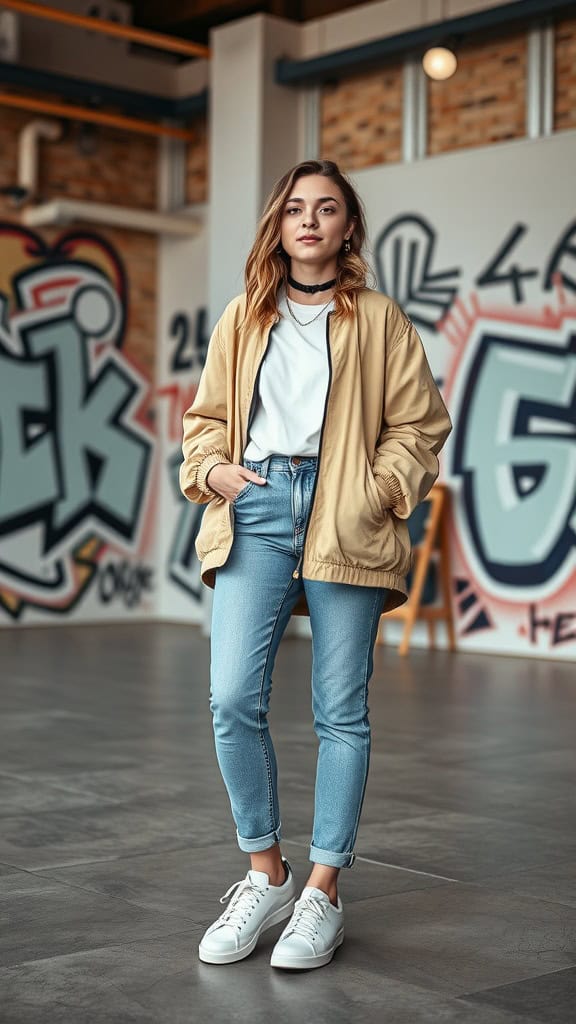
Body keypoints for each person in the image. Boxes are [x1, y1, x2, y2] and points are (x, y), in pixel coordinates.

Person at [180, 159, 452, 971]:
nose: (310, 220)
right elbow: (206, 420)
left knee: (341, 712)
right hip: (257, 506)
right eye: (296, 207)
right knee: (232, 695)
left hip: (344, 512)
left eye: (327, 208)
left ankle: (323, 893)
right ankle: (265, 872)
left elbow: (420, 425)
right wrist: (214, 470)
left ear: (346, 227)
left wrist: (375, 492)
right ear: (280, 223)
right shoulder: (243, 316)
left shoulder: (379, 320)